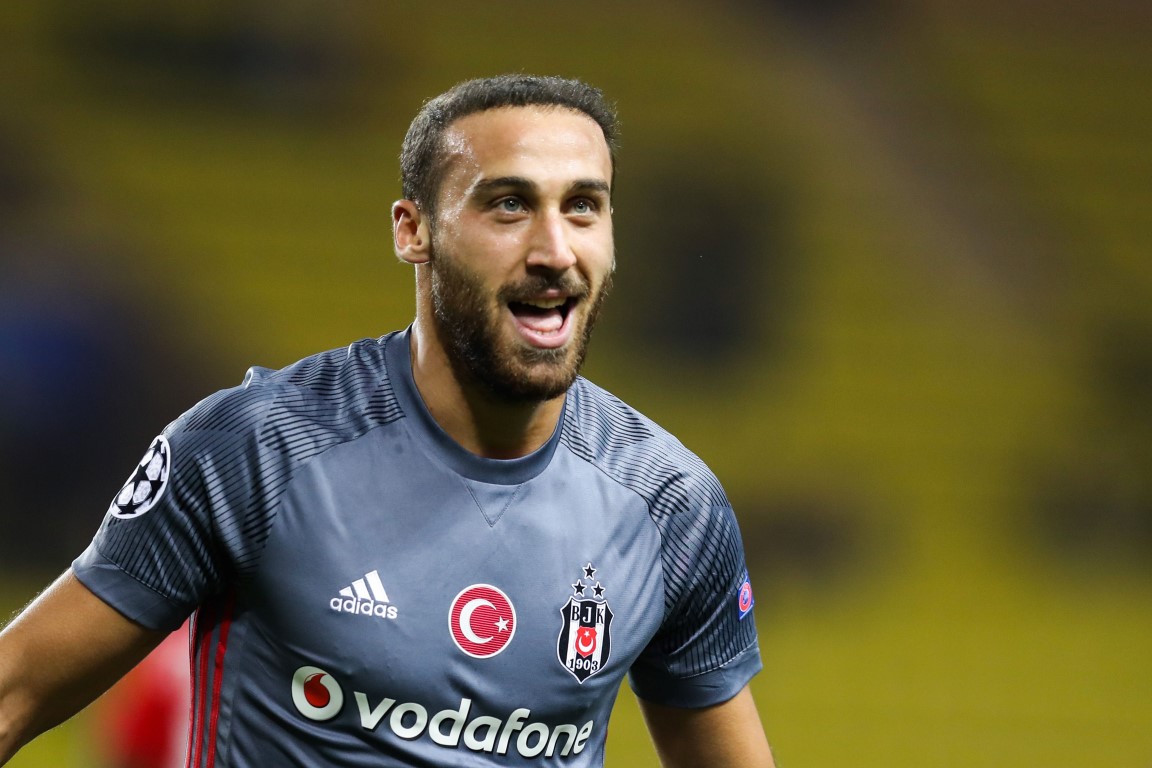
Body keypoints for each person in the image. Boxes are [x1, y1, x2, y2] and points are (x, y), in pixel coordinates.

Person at [0, 74, 775, 767]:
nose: (554, 248)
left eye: (582, 207)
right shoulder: (257, 448)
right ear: (414, 231)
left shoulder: (669, 504)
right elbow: (17, 691)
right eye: (509, 205)